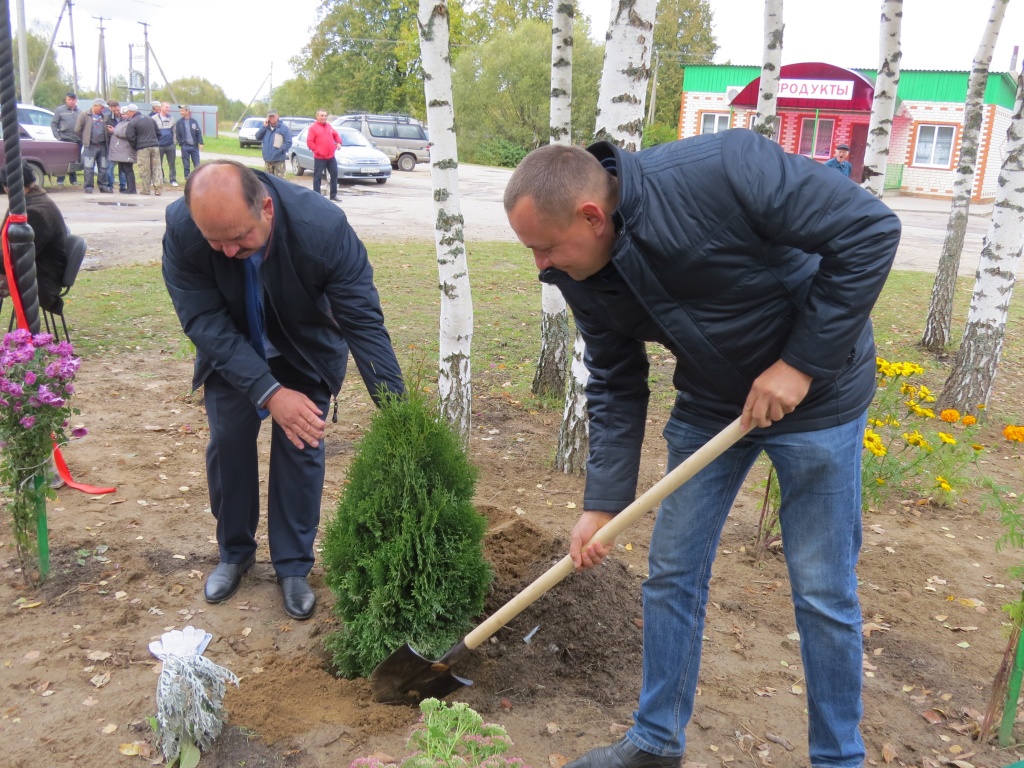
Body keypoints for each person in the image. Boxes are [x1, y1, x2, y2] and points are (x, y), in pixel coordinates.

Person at [503, 131, 901, 768]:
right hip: (713, 403)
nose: (540, 267)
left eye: (545, 248)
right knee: (673, 572)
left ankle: (838, 757)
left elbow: (870, 231)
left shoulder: (724, 169)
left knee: (822, 589)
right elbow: (613, 376)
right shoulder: (578, 272)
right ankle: (656, 741)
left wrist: (799, 364)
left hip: (818, 394)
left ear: (591, 216)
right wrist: (603, 502)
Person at [162, 160, 405, 620]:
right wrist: (270, 392)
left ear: (267, 208)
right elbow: (202, 321)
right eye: (216, 241)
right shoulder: (183, 227)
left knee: (302, 441)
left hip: (304, 347)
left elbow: (363, 324)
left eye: (239, 237)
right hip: (232, 346)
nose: (229, 250)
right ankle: (235, 552)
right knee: (229, 440)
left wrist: (396, 410)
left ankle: (293, 566)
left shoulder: (324, 228)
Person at [0, 163, 68, 311]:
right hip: (32, 269)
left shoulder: (35, 211)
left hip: (41, 278)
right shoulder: (31, 201)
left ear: (8, 187)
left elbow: (18, 255)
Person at [75, 98, 112, 194]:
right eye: (101, 107)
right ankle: (88, 187)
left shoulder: (105, 117)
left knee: (103, 167)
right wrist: (85, 139)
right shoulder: (84, 115)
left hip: (103, 146)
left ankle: (103, 185)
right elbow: (77, 130)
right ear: (95, 106)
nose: (103, 109)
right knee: (88, 167)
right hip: (90, 146)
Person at [128, 104, 163, 195]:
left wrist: (136, 146)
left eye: (128, 112)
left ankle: (146, 190)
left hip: (142, 148)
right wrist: (154, 142)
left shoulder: (133, 122)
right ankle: (158, 189)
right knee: (157, 168)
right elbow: (159, 133)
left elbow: (131, 137)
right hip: (155, 146)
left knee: (144, 169)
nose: (128, 114)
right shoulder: (150, 119)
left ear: (132, 112)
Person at [306, 109, 341, 201]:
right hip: (320, 157)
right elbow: (310, 142)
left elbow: (336, 135)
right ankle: (317, 196)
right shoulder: (313, 128)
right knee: (317, 176)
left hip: (330, 156)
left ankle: (333, 195)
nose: (324, 117)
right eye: (322, 116)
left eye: (325, 116)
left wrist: (338, 142)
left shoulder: (329, 127)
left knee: (334, 174)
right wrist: (317, 151)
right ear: (317, 116)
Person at [50, 91, 80, 188]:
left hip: (76, 140)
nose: (71, 101)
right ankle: (60, 180)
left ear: (76, 100)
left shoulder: (79, 112)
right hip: (64, 139)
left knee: (74, 161)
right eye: (69, 99)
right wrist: (57, 136)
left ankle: (73, 180)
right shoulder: (60, 110)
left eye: (73, 100)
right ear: (66, 100)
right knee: (63, 160)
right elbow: (54, 124)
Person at [108, 104, 138, 195]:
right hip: (121, 151)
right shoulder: (123, 122)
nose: (123, 115)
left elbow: (126, 133)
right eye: (122, 114)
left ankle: (131, 189)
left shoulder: (131, 122)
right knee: (124, 169)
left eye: (125, 113)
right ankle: (128, 188)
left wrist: (114, 131)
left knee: (128, 170)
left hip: (126, 150)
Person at [255, 110, 292, 178]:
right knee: (268, 183)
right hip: (268, 160)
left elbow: (288, 142)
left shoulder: (283, 128)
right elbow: (257, 136)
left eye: (273, 116)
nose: (271, 118)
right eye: (270, 116)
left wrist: (279, 151)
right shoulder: (266, 128)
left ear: (277, 116)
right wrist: (264, 126)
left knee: (280, 183)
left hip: (278, 160)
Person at [175, 106, 204, 180]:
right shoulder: (179, 122)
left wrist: (201, 143)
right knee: (186, 164)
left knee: (197, 163)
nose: (181, 112)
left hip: (194, 147)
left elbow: (198, 133)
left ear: (187, 112)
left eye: (182, 111)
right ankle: (187, 178)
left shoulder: (194, 121)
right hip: (185, 146)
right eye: (180, 111)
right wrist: (181, 143)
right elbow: (177, 134)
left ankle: (198, 177)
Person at [153, 101, 178, 187]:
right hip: (159, 145)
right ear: (161, 108)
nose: (168, 109)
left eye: (169, 107)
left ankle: (173, 179)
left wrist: (174, 142)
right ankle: (160, 178)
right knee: (158, 163)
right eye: (166, 107)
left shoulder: (172, 118)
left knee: (172, 163)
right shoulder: (154, 119)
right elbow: (152, 132)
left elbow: (174, 131)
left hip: (170, 145)